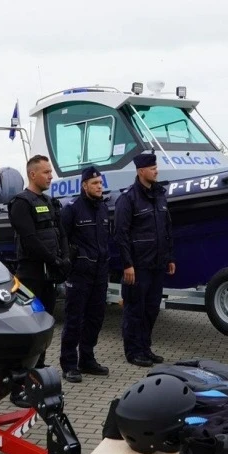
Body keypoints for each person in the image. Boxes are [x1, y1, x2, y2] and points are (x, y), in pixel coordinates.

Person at [114, 151, 175, 367]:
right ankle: (133, 352)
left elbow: (166, 228)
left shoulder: (160, 195)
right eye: (152, 168)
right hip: (138, 266)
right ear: (141, 171)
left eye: (156, 167)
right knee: (134, 309)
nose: (156, 171)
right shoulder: (128, 199)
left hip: (157, 264)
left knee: (151, 309)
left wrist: (169, 257)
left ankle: (145, 348)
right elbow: (121, 234)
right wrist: (127, 264)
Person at [8, 155, 71, 368]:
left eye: (50, 172)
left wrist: (65, 258)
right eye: (46, 172)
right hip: (31, 275)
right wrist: (54, 260)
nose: (50, 176)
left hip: (49, 276)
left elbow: (60, 232)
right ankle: (21, 375)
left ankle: (39, 367)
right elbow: (30, 239)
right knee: (29, 325)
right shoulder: (21, 203)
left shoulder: (49, 202)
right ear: (32, 174)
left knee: (45, 323)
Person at [58, 166, 111, 383]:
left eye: (100, 183)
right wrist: (68, 266)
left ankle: (86, 359)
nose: (100, 187)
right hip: (80, 274)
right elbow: (62, 240)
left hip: (99, 273)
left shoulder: (103, 209)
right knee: (74, 320)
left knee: (95, 318)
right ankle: (69, 364)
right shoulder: (72, 209)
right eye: (95, 184)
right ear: (84, 185)